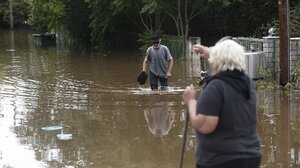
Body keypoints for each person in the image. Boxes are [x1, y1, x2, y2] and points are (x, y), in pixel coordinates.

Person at [182, 38, 261, 168]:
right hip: (250, 156)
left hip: (221, 159)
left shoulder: (217, 86)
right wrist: (207, 51)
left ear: (216, 60)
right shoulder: (247, 83)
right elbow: (228, 59)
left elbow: (204, 125)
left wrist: (191, 101)